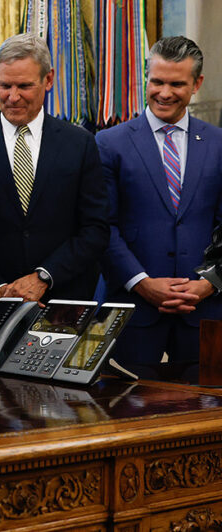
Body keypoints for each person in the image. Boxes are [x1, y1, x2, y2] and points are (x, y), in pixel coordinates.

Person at [96, 36, 222, 382]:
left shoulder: (218, 144)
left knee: (206, 410)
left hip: (204, 313)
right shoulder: (108, 143)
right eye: (157, 82)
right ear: (146, 79)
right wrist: (142, 283)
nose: (164, 93)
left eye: (176, 84)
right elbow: (102, 226)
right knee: (123, 408)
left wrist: (209, 283)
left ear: (197, 83)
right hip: (132, 312)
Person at [0, 33, 109, 301]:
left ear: (48, 79)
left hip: (62, 301)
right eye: (5, 86)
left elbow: (95, 229)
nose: (13, 97)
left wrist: (44, 276)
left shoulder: (80, 144)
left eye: (24, 86)